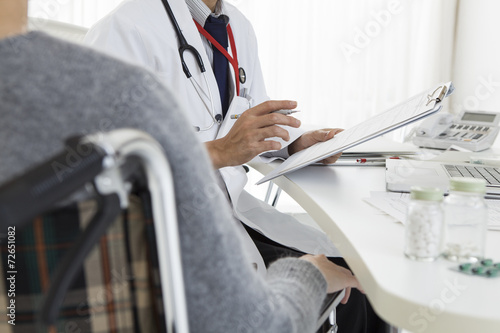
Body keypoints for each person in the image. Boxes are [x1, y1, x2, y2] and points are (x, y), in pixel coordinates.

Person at [0, 1, 363, 332]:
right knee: (357, 285)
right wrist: (307, 275)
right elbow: (110, 180)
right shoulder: (122, 47)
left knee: (349, 266)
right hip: (169, 239)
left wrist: (292, 144)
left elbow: (242, 122)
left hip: (222, 214)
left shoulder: (238, 27)